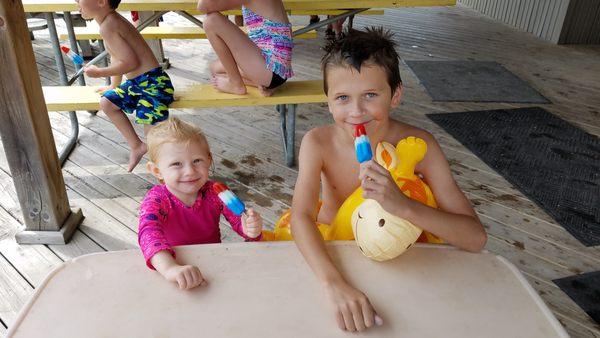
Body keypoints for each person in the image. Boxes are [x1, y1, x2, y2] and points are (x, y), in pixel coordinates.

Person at [289, 28, 487, 332]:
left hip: (405, 260)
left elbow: (475, 238)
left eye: (370, 95)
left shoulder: (420, 146)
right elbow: (301, 216)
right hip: (336, 254)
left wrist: (404, 206)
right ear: (328, 101)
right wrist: (333, 283)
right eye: (342, 97)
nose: (356, 112)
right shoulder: (318, 143)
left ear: (395, 95)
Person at [138, 117, 263, 290]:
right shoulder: (156, 200)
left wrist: (249, 228)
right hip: (173, 267)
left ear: (209, 159)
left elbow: (238, 221)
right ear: (157, 171)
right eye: (176, 164)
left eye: (197, 160)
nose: (190, 171)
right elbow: (148, 234)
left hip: (213, 264)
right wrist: (170, 268)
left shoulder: (215, 192)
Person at [76, 0, 174, 172]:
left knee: (153, 136)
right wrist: (114, 85)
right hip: (138, 83)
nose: (76, 1)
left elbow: (129, 62)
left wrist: (99, 73)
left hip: (153, 84)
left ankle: (167, 175)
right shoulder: (108, 22)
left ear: (101, 2)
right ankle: (137, 146)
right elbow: (116, 56)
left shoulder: (109, 25)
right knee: (107, 103)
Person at [197, 0, 294, 97]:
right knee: (214, 68)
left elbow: (203, 6)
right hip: (278, 69)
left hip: (271, 67)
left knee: (211, 20)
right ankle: (259, 83)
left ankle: (236, 84)